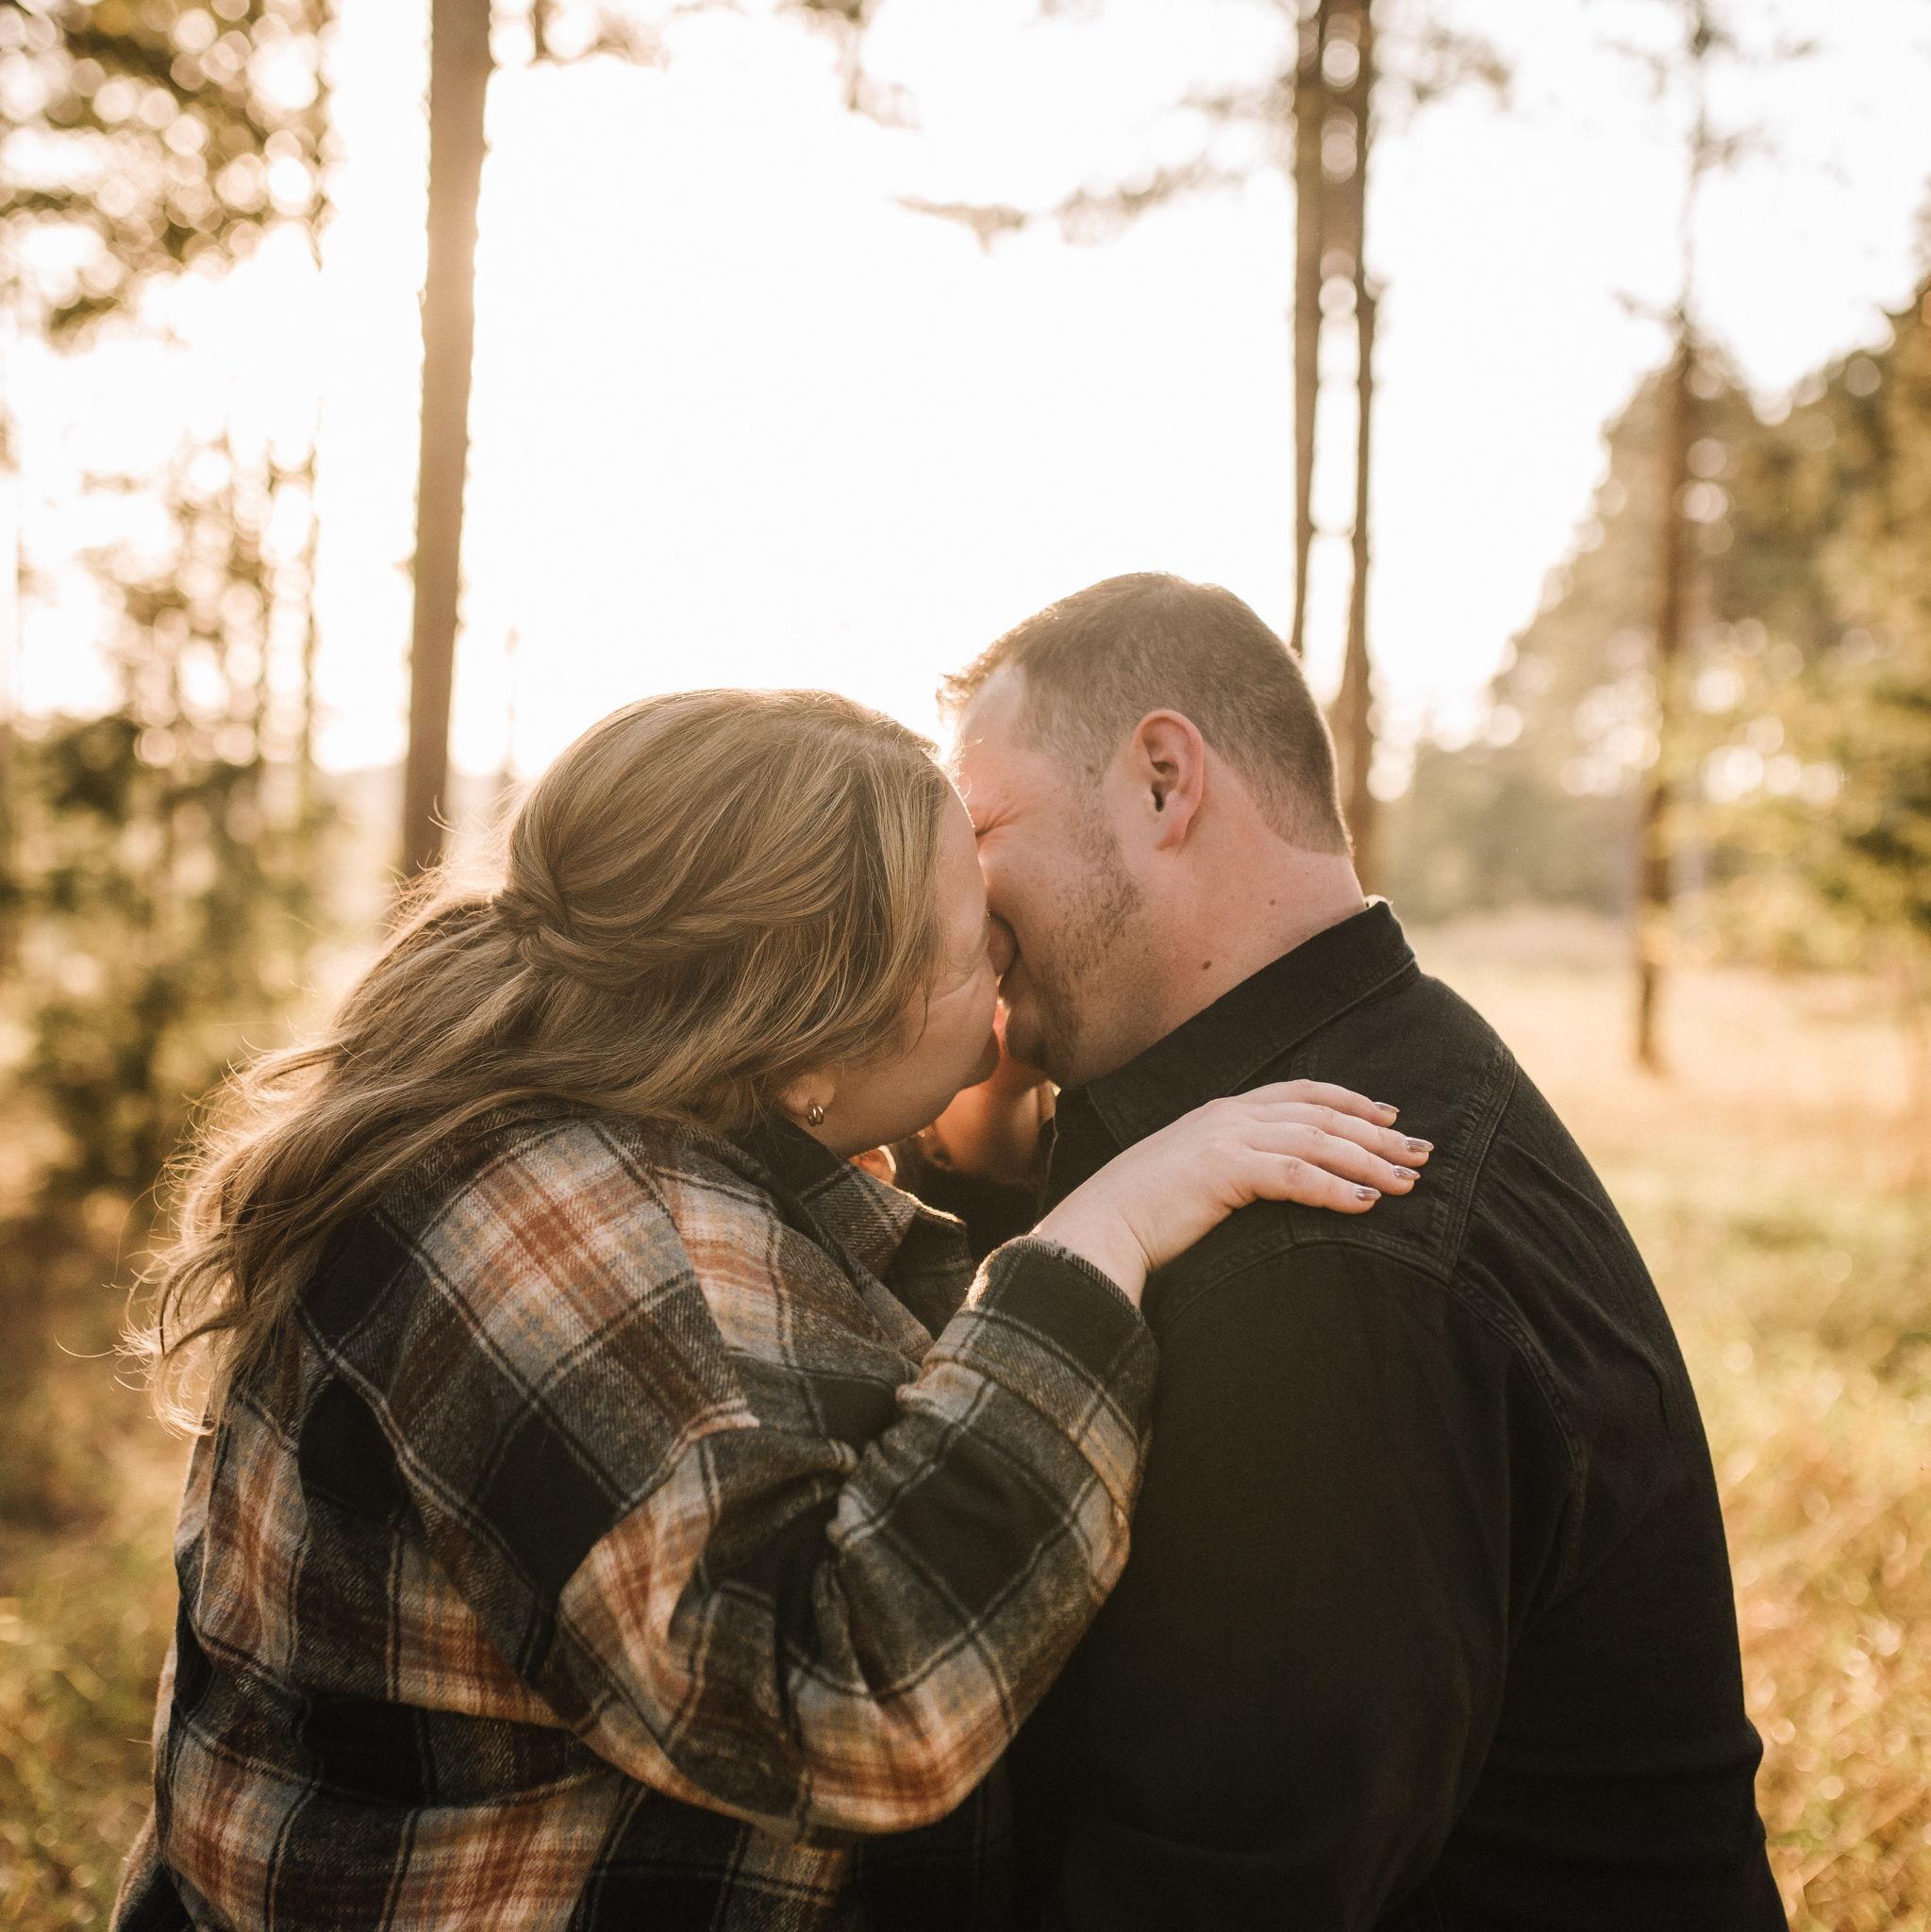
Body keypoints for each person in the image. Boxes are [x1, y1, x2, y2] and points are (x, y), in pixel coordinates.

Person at [112, 687, 1425, 1932]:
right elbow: (851, 1699)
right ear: (805, 1043)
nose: (1011, 961)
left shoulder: (655, 1142)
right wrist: (1100, 1234)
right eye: (979, 945)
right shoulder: (521, 1220)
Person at [941, 575, 1787, 1931]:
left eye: (980, 829)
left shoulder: (1328, 1249)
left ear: (1164, 780)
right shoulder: (1362, 1064)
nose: (961, 903)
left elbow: (1218, 1890)